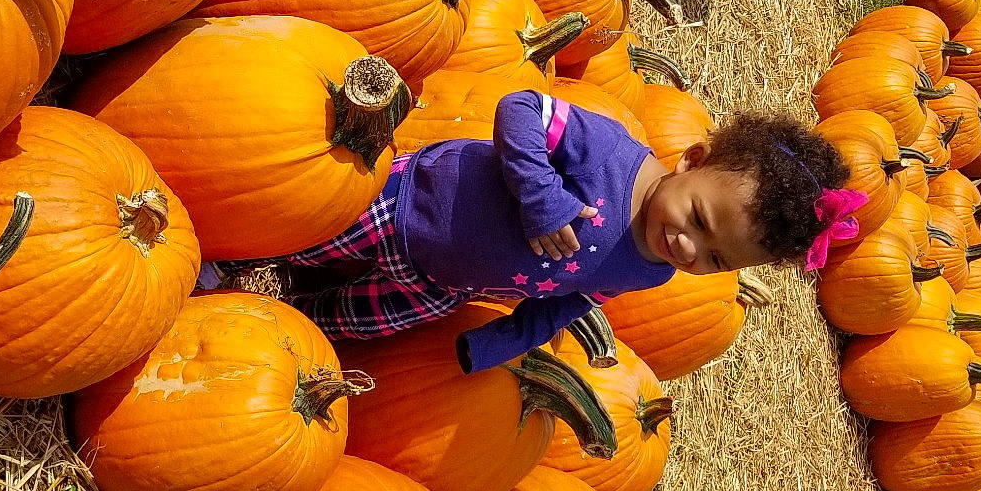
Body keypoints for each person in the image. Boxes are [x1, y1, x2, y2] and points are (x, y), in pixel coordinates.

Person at [273, 91, 860, 374]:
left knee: (338, 325)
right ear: (693, 159)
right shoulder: (607, 153)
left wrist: (500, 344)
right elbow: (520, 110)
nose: (688, 249)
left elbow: (570, 301)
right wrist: (542, 199)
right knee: (308, 233)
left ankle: (267, 318)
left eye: (716, 260)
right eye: (699, 221)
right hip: (413, 205)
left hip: (440, 287)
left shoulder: (651, 269)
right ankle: (238, 257)